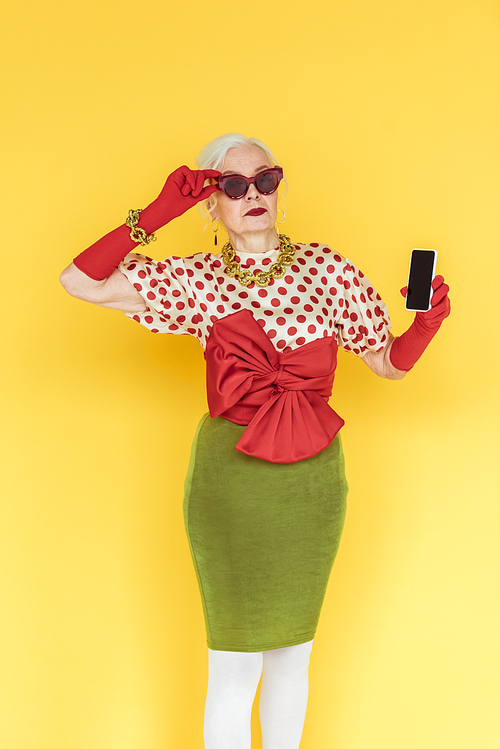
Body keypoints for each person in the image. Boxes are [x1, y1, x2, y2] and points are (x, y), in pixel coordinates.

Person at [60, 133, 450, 749]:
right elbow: (79, 281)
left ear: (280, 187)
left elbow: (387, 363)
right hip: (230, 481)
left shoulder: (327, 268)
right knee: (235, 663)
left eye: (264, 180)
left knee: (294, 658)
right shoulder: (198, 280)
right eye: (232, 186)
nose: (252, 195)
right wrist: (159, 212)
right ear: (211, 205)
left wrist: (424, 326)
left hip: (312, 484)